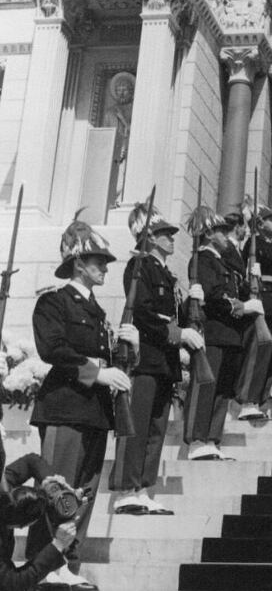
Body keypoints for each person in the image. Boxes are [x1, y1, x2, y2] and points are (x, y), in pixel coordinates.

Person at [27, 220, 138, 591]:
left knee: (83, 494)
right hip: (64, 408)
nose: (105, 267)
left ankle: (67, 564)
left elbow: (111, 362)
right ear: (78, 262)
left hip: (94, 413)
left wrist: (129, 351)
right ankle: (45, 565)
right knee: (58, 490)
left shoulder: (100, 313)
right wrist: (96, 373)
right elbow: (53, 349)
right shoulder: (53, 301)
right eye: (98, 260)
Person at [109, 203, 205, 514]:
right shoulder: (138, 268)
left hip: (164, 361)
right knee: (137, 425)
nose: (171, 238)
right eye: (164, 234)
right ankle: (126, 489)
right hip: (146, 358)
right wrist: (177, 335)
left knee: (156, 428)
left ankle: (144, 487)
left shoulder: (164, 272)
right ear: (148, 237)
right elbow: (144, 314)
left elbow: (170, 313)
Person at [183, 206, 262, 460]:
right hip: (214, 330)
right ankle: (197, 439)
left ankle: (212, 438)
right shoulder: (202, 260)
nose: (225, 236)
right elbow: (214, 296)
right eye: (219, 231)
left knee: (223, 389)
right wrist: (237, 306)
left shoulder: (221, 260)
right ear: (207, 234)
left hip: (229, 333)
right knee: (207, 385)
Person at [236, 202, 272, 420]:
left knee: (270, 355)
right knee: (257, 351)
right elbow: (246, 270)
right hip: (263, 299)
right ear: (260, 223)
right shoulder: (253, 242)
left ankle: (261, 399)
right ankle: (248, 399)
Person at [0, 452, 77, 591]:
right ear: (21, 526)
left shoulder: (5, 491)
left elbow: (31, 461)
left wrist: (52, 484)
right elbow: (12, 584)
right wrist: (58, 545)